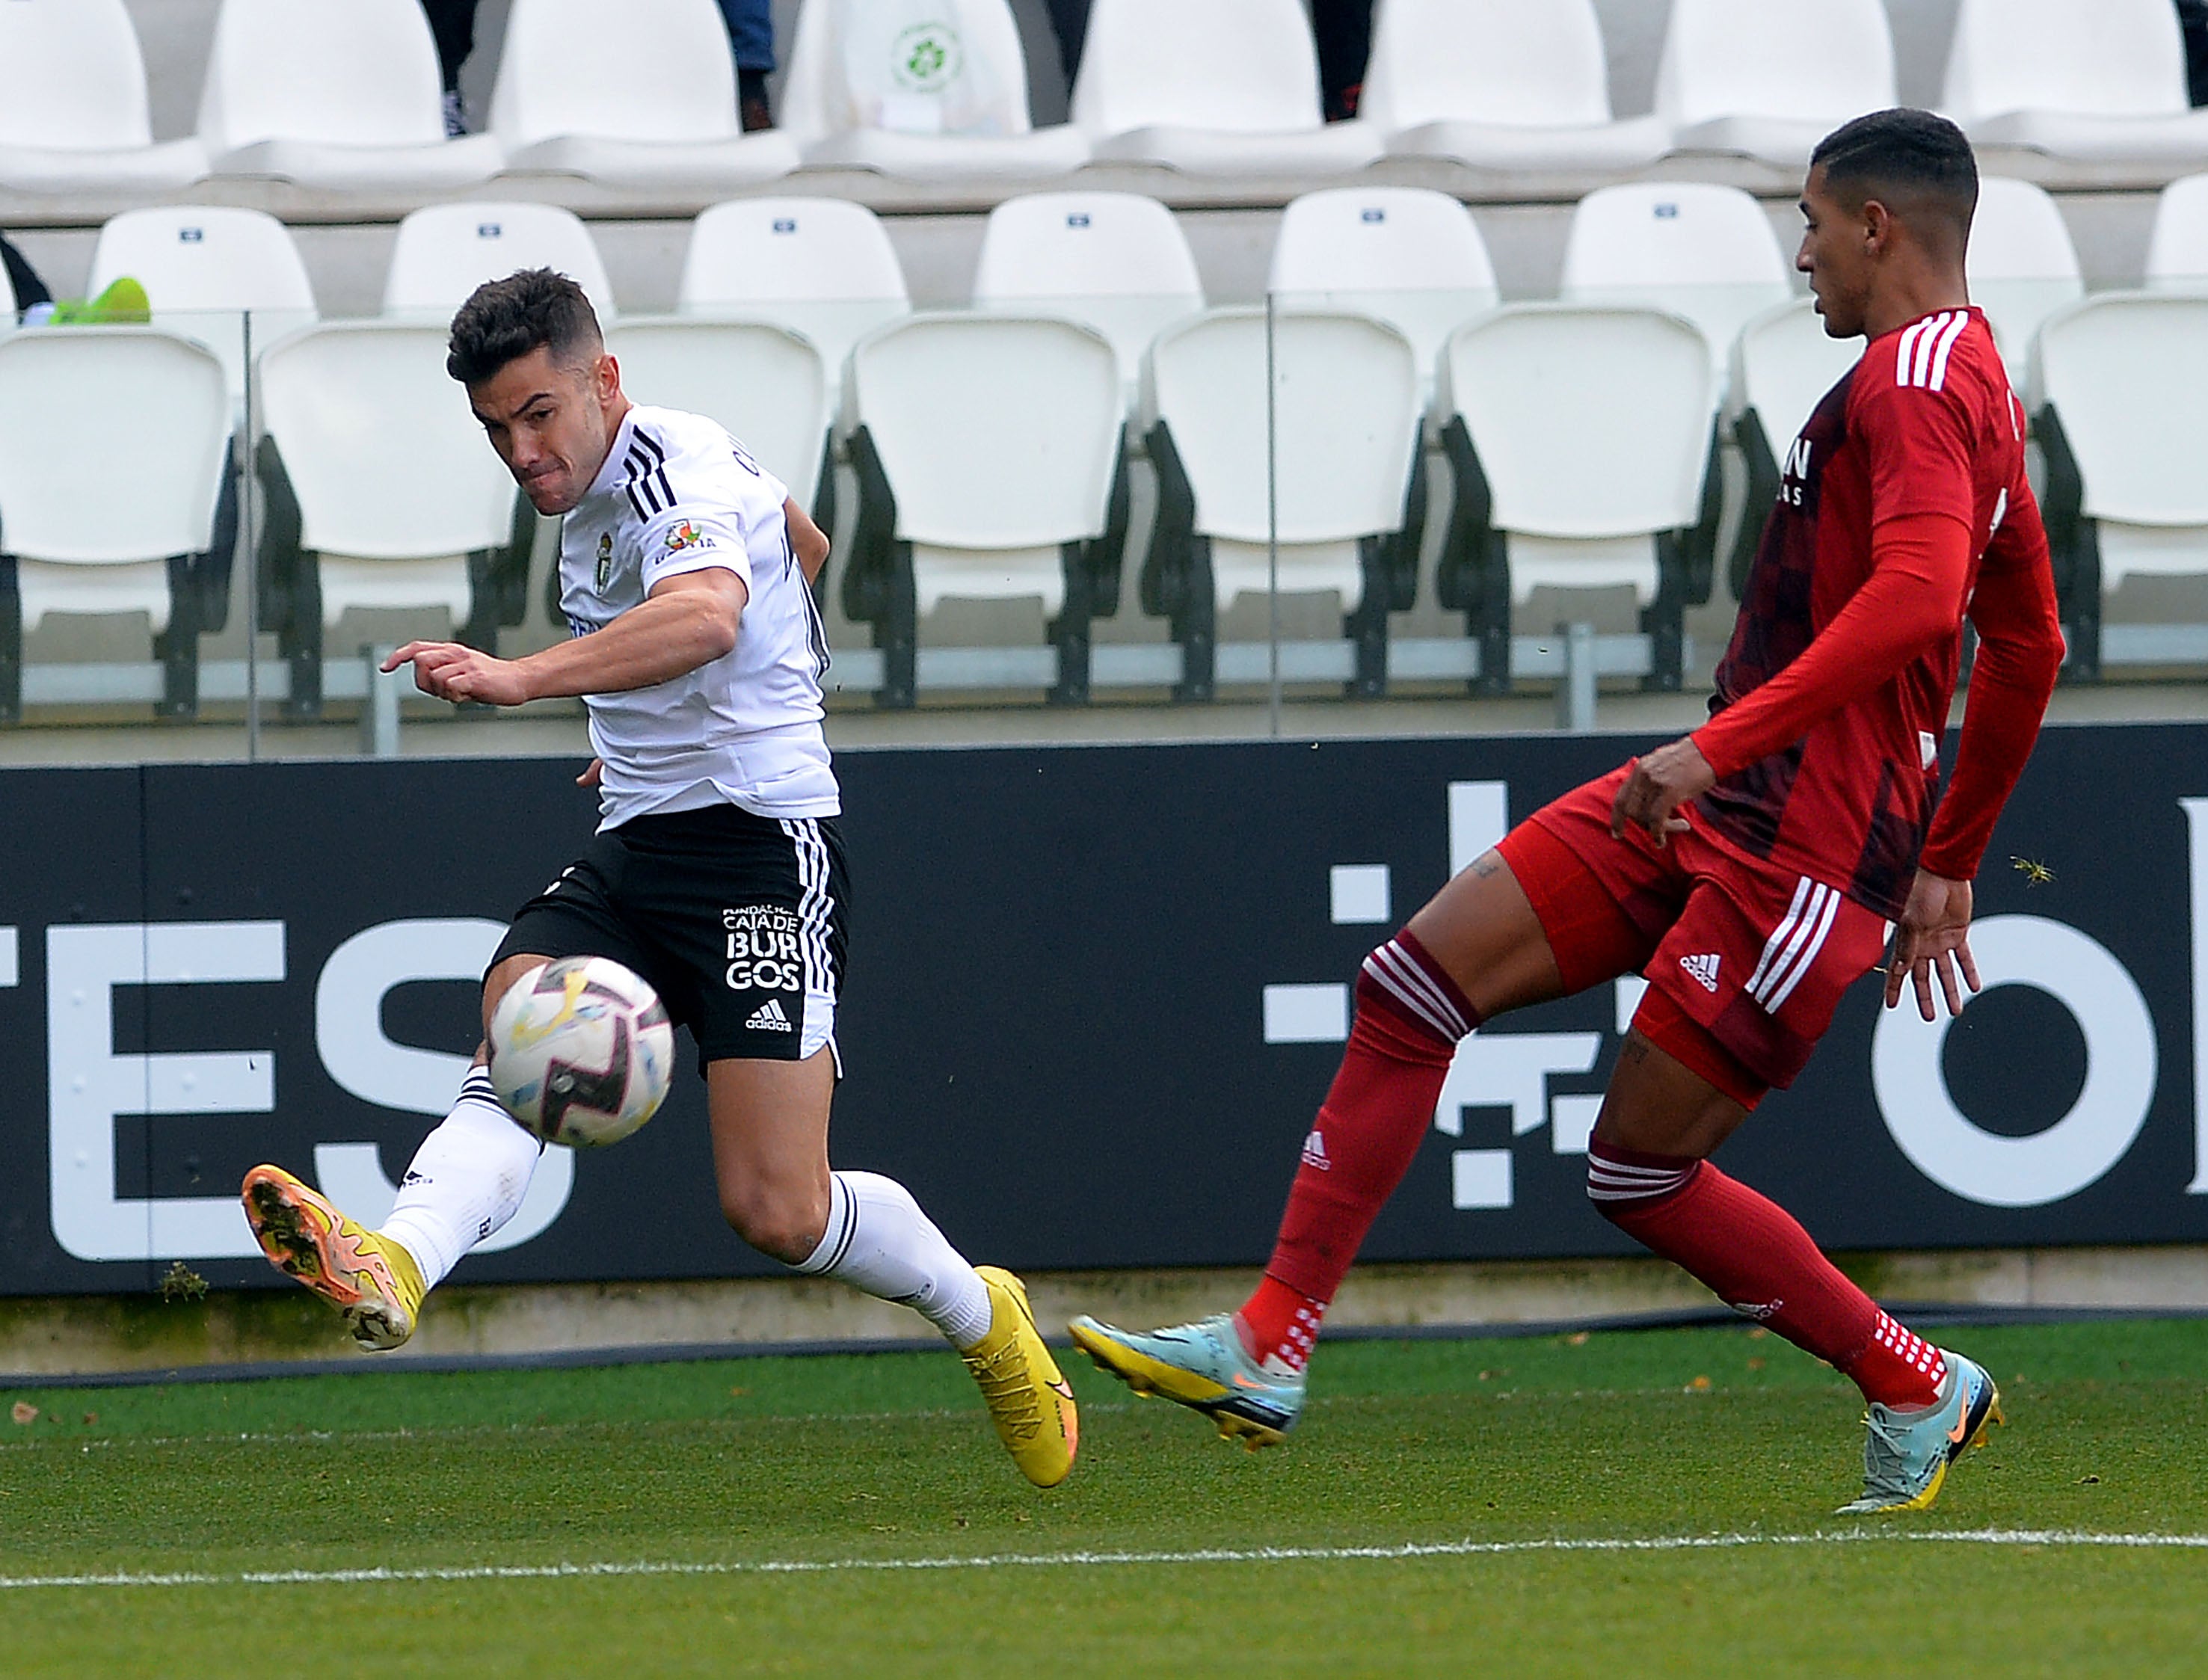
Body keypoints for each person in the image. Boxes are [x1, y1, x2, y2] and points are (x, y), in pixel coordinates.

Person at [1070, 108, 2066, 1516]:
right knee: (1411, 984)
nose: (1800, 255)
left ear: (1875, 228)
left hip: (1799, 846)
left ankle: (1913, 1378)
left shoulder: (1911, 387)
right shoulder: (1974, 384)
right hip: (1728, 803)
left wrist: (1752, 766)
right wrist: (1951, 863)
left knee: (1636, 1170)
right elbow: (2027, 645)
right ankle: (1268, 1343)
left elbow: (1918, 606)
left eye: (1810, 222)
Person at [239, 267, 1077, 1490]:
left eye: (538, 415)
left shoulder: (666, 468)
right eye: (495, 430)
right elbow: (802, 540)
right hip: (640, 839)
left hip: (758, 851)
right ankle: (401, 1263)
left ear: (604, 383)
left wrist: (527, 679)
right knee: (520, 1022)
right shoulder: (607, 491)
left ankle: (982, 1315)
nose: (522, 451)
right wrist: (652, 735)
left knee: (777, 1212)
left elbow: (709, 620)